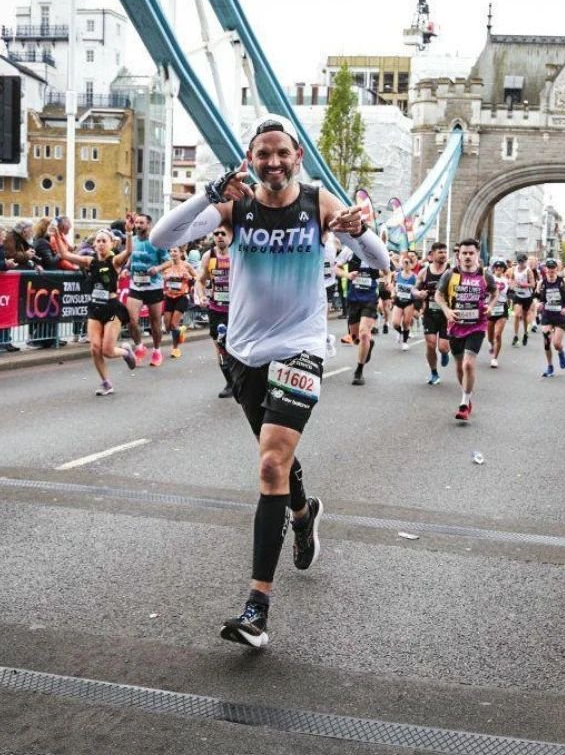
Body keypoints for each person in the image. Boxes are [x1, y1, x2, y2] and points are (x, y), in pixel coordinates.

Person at [150, 114, 390, 648]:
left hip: (300, 349)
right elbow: (159, 237)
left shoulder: (318, 202)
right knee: (275, 458)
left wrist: (360, 231)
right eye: (263, 154)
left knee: (270, 462)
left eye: (282, 153)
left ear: (297, 156)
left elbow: (380, 260)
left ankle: (256, 608)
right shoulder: (235, 204)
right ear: (251, 159)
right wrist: (209, 192)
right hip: (243, 353)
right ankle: (303, 515)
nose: (274, 162)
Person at [53, 219, 137, 394]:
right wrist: (55, 234)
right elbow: (65, 255)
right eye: (97, 241)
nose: (100, 244)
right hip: (95, 308)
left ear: (111, 243)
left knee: (107, 350)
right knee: (94, 347)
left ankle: (126, 352)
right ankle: (106, 383)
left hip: (113, 309)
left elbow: (129, 251)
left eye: (103, 241)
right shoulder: (89, 261)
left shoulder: (114, 261)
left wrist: (129, 233)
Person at [435, 238, 498, 421]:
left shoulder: (485, 275)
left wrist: (491, 305)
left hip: (477, 325)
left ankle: (464, 402)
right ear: (459, 255)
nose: (468, 256)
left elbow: (495, 292)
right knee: (460, 366)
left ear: (477, 254)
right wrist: (446, 310)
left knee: (468, 364)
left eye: (471, 253)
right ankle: (466, 395)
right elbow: (439, 295)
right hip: (455, 325)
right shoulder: (450, 274)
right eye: (464, 253)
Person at [336, 244, 386, 385]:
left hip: (370, 299)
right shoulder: (349, 250)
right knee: (356, 338)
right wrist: (347, 275)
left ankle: (359, 371)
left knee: (364, 333)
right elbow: (335, 267)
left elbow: (388, 271)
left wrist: (385, 282)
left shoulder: (376, 249)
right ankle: (368, 343)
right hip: (353, 299)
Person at [126, 213, 170, 367]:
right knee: (131, 320)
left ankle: (157, 351)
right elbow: (130, 257)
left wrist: (157, 268)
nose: (138, 225)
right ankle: (139, 347)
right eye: (137, 223)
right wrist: (126, 269)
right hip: (136, 285)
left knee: (155, 323)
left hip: (153, 286)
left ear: (149, 225)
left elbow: (169, 261)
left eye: (141, 223)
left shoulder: (157, 242)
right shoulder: (133, 240)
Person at [195, 225, 234, 397]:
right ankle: (230, 383)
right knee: (220, 346)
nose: (219, 236)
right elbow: (200, 280)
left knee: (237, 345)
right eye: (216, 233)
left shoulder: (236, 254)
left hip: (237, 309)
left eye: (223, 233)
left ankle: (243, 379)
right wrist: (201, 296)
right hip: (216, 308)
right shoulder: (209, 256)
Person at [415, 241, 450, 385]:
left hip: (446, 314)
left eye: (444, 252)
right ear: (432, 254)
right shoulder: (424, 271)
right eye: (440, 252)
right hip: (430, 313)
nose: (443, 255)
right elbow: (414, 288)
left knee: (442, 347)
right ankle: (434, 372)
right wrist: (419, 293)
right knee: (430, 345)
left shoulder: (451, 271)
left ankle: (445, 353)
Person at [535, 258, 565, 377]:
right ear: (546, 270)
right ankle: (550, 366)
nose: (551, 271)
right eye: (549, 269)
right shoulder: (541, 283)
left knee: (556, 344)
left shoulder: (563, 281)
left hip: (560, 315)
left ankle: (561, 352)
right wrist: (537, 303)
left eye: (553, 269)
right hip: (547, 314)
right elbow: (536, 297)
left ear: (557, 269)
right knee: (546, 341)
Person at [162, 246, 197, 359]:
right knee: (167, 326)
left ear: (181, 253)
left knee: (173, 324)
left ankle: (175, 349)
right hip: (168, 297)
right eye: (171, 251)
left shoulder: (186, 265)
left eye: (175, 251)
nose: (172, 253)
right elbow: (160, 276)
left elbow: (197, 277)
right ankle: (180, 332)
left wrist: (190, 278)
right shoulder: (166, 265)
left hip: (182, 297)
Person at [0, 226, 20, 352]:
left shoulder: (1, 246)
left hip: (4, 285)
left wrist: (7, 265)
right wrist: (5, 264)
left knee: (6, 313)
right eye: (2, 234)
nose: (4, 237)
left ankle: (6, 340)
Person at [487, 259, 510, 368]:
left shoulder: (506, 281)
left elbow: (509, 294)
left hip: (502, 308)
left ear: (504, 269)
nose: (499, 269)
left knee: (498, 334)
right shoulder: (489, 278)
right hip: (490, 308)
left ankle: (494, 358)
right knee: (490, 336)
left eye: (501, 268)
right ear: (494, 269)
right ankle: (492, 344)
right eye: (497, 267)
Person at [392, 255, 417, 351]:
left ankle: (405, 342)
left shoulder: (414, 277)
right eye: (404, 262)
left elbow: (417, 288)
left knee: (406, 323)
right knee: (395, 323)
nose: (406, 265)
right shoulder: (397, 275)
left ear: (411, 264)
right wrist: (393, 292)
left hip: (409, 302)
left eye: (408, 262)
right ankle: (400, 332)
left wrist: (416, 292)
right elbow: (393, 286)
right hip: (398, 301)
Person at [510, 253, 535, 346]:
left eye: (522, 261)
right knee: (516, 315)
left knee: (524, 317)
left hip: (527, 297)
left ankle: (525, 333)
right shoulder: (515, 269)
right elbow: (511, 279)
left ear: (525, 261)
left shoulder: (528, 271)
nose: (520, 263)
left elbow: (533, 284)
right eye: (519, 261)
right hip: (518, 295)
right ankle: (516, 336)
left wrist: (524, 285)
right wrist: (512, 285)